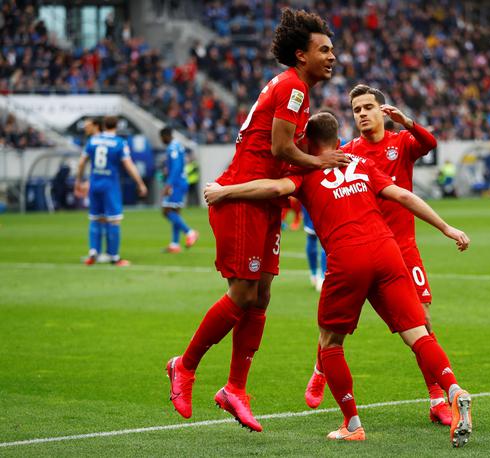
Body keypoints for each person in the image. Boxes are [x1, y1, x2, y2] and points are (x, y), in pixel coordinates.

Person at [204, 112, 473, 447]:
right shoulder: (360, 162)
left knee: (330, 343)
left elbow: (273, 187)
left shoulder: (305, 170)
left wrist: (224, 191)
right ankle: (454, 390)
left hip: (348, 256)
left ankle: (352, 423)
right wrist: (447, 228)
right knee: (417, 332)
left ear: (309, 140)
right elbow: (403, 196)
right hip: (387, 250)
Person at [165, 7, 349, 432]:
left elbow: (286, 153)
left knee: (261, 296)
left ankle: (235, 390)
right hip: (245, 196)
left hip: (265, 202)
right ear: (301, 55)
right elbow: (282, 150)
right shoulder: (294, 89)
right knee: (245, 293)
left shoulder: (296, 90)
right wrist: (322, 164)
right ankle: (185, 365)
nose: (332, 56)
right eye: (324, 49)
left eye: (333, 50)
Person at [303, 84, 454, 426]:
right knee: (335, 322)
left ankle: (436, 399)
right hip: (361, 246)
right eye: (356, 110)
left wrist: (409, 122)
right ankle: (320, 369)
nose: (362, 114)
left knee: (423, 323)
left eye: (368, 107)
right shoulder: (348, 151)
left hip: (401, 247)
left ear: (382, 111)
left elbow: (430, 145)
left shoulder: (401, 143)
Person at [74, 116, 148, 266]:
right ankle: (114, 257)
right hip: (110, 185)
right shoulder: (119, 143)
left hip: (94, 184)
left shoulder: (93, 140)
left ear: (102, 125)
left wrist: (78, 180)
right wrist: (140, 183)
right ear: (117, 125)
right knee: (114, 220)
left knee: (95, 219)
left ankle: (93, 253)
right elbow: (129, 165)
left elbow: (81, 163)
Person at [159, 126, 198, 253]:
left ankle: (190, 232)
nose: (161, 140)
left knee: (166, 211)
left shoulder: (172, 148)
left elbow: (176, 167)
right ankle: (175, 244)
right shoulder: (178, 146)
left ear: (166, 136)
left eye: (162, 138)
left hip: (176, 184)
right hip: (180, 182)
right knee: (175, 212)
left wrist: (168, 184)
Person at [302, 203, 326, 291]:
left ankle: (314, 275)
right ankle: (323, 277)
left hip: (309, 197)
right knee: (327, 237)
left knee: (311, 236)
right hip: (326, 197)